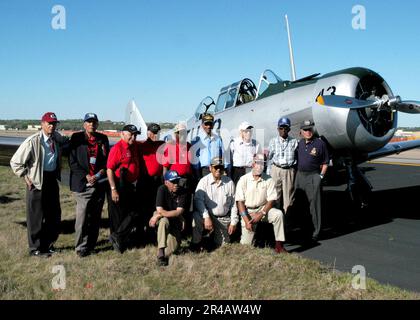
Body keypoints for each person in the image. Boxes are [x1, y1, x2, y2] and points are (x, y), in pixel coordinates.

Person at [10, 112, 69, 257]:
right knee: (35, 216)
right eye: (49, 123)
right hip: (36, 180)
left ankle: (47, 245)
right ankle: (35, 249)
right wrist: (25, 177)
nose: (52, 126)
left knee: (53, 215)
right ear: (42, 124)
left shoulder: (56, 137)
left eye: (54, 123)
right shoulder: (33, 140)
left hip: (51, 178)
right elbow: (15, 162)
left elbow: (66, 141)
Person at [69, 113, 110, 257]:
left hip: (99, 183)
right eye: (89, 122)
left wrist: (98, 175)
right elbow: (72, 162)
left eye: (94, 122)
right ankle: (80, 247)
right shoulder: (76, 138)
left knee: (95, 217)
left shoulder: (103, 139)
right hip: (82, 184)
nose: (91, 124)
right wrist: (86, 175)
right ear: (84, 124)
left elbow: (107, 161)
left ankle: (91, 245)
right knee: (82, 218)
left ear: (97, 124)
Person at [235, 153, 287, 253]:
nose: (260, 166)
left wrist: (262, 213)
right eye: (258, 163)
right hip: (248, 212)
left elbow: (272, 199)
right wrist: (246, 220)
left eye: (263, 164)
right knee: (245, 248)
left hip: (263, 210)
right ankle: (253, 239)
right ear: (253, 164)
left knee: (278, 214)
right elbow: (240, 202)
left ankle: (279, 245)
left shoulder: (269, 179)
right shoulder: (243, 180)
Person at [107, 124, 141, 253]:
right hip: (118, 184)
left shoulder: (134, 147)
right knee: (118, 216)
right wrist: (113, 189)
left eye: (135, 135)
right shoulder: (118, 148)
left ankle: (118, 237)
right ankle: (118, 243)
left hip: (129, 185)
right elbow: (110, 169)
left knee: (132, 213)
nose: (133, 137)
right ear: (122, 134)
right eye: (131, 134)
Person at [191, 157, 238, 251]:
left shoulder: (229, 182)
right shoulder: (203, 181)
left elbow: (234, 204)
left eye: (221, 167)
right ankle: (196, 243)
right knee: (196, 216)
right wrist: (206, 216)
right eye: (216, 167)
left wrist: (233, 222)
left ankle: (212, 237)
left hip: (223, 218)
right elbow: (198, 201)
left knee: (223, 247)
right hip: (208, 216)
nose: (218, 170)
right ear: (210, 168)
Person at [295, 120, 329, 242]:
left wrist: (320, 177)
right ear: (301, 132)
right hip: (300, 176)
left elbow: (325, 163)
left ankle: (317, 231)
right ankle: (304, 229)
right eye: (305, 130)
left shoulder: (320, 144)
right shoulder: (300, 143)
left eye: (310, 129)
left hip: (313, 176)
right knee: (300, 203)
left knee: (315, 205)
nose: (308, 132)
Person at [149, 170, 188, 266]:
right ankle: (160, 253)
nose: (176, 184)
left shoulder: (182, 191)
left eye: (177, 181)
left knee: (173, 250)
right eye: (173, 182)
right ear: (166, 182)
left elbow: (179, 211)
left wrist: (158, 215)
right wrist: (159, 214)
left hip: (174, 219)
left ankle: (165, 249)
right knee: (163, 221)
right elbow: (159, 209)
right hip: (164, 218)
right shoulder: (161, 189)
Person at [136, 123, 164, 244]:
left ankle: (153, 231)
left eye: (157, 133)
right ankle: (140, 233)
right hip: (145, 179)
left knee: (156, 205)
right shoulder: (141, 145)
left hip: (158, 180)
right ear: (148, 132)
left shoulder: (161, 144)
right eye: (153, 132)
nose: (155, 135)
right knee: (143, 207)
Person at [267, 117, 298, 213]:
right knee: (275, 196)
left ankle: (287, 221)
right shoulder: (273, 141)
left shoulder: (294, 142)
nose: (283, 130)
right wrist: (269, 172)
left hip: (288, 170)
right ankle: (276, 219)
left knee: (289, 197)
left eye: (285, 128)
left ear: (289, 129)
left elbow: (297, 156)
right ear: (278, 129)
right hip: (276, 169)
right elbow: (269, 158)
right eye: (281, 128)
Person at [191, 113, 225, 180]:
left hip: (217, 169)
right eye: (206, 124)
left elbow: (222, 154)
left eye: (210, 124)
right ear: (202, 125)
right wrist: (198, 176)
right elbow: (195, 160)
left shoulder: (218, 139)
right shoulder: (197, 139)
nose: (208, 126)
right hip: (204, 170)